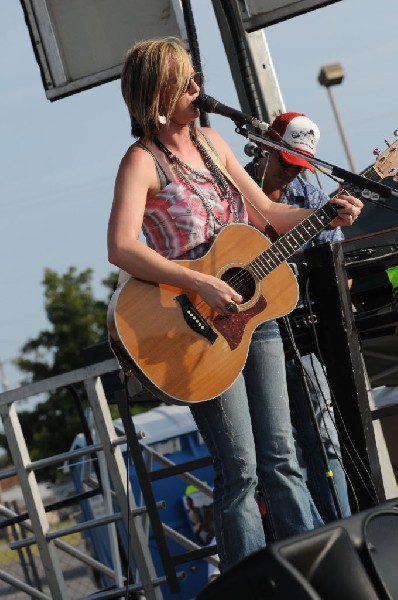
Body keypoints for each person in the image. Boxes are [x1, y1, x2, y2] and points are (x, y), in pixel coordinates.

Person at [107, 37, 363, 572]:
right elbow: (121, 246)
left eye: (195, 77)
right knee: (240, 469)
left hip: (253, 316)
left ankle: (317, 572)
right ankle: (252, 583)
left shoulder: (214, 143)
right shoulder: (140, 163)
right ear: (157, 92)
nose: (198, 88)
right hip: (192, 326)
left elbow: (267, 213)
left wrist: (328, 215)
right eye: (184, 81)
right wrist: (197, 284)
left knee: (282, 455)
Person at [244, 112, 352, 523]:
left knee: (323, 440)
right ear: (266, 148)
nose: (291, 174)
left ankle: (338, 530)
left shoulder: (311, 197)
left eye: (300, 167)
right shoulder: (233, 189)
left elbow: (336, 276)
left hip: (300, 332)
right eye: (286, 163)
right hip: (245, 335)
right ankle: (303, 538)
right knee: (270, 455)